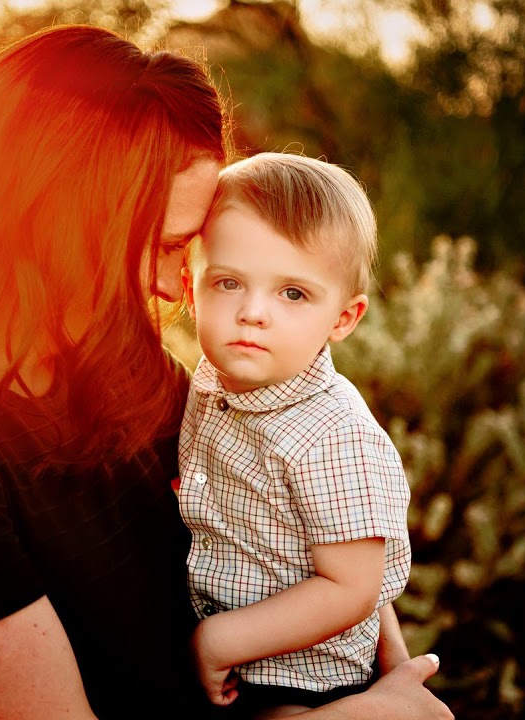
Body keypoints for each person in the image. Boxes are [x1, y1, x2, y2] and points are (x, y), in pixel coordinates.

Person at [0, 23, 452, 720]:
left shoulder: (120, 368)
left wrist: (392, 680)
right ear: (53, 220)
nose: (177, 289)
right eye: (164, 246)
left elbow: (300, 527)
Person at [176, 152, 413, 718]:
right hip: (237, 662)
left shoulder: (332, 436)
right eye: (228, 283)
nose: (252, 313)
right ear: (191, 288)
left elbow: (352, 587)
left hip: (302, 681)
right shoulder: (209, 384)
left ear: (343, 318)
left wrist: (219, 640)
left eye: (293, 294)